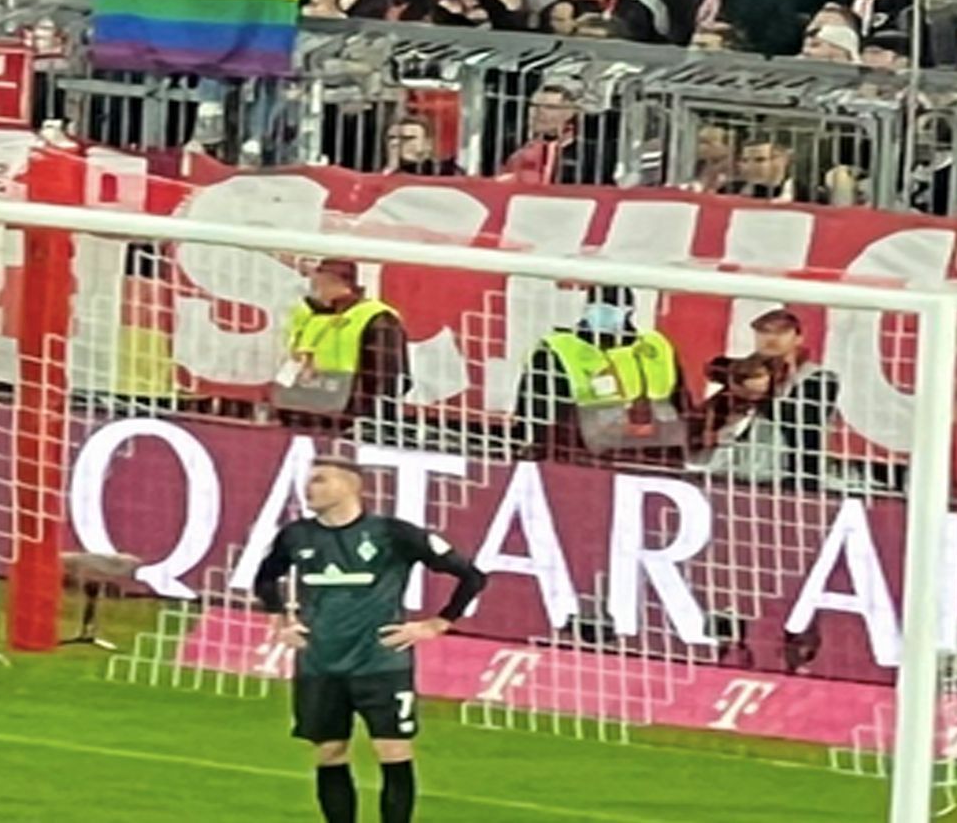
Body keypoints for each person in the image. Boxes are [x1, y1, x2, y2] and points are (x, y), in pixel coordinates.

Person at [250, 458, 489, 823]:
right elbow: (265, 578)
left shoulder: (394, 534)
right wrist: (281, 620)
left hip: (380, 663)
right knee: (329, 752)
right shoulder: (296, 536)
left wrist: (437, 624)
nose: (309, 488)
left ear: (350, 486)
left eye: (319, 480)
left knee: (392, 751)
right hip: (320, 663)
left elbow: (471, 576)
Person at [514, 286, 689, 458]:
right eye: (597, 307)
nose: (602, 314)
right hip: (582, 452)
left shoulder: (655, 347)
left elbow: (681, 401)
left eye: (611, 309)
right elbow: (536, 411)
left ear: (628, 311)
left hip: (656, 450)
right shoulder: (558, 350)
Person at [278, 260, 409, 428]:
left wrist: (362, 420)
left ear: (336, 281)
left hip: (350, 421)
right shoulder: (308, 316)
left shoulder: (377, 318)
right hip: (304, 415)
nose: (314, 288)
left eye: (318, 282)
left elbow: (388, 380)